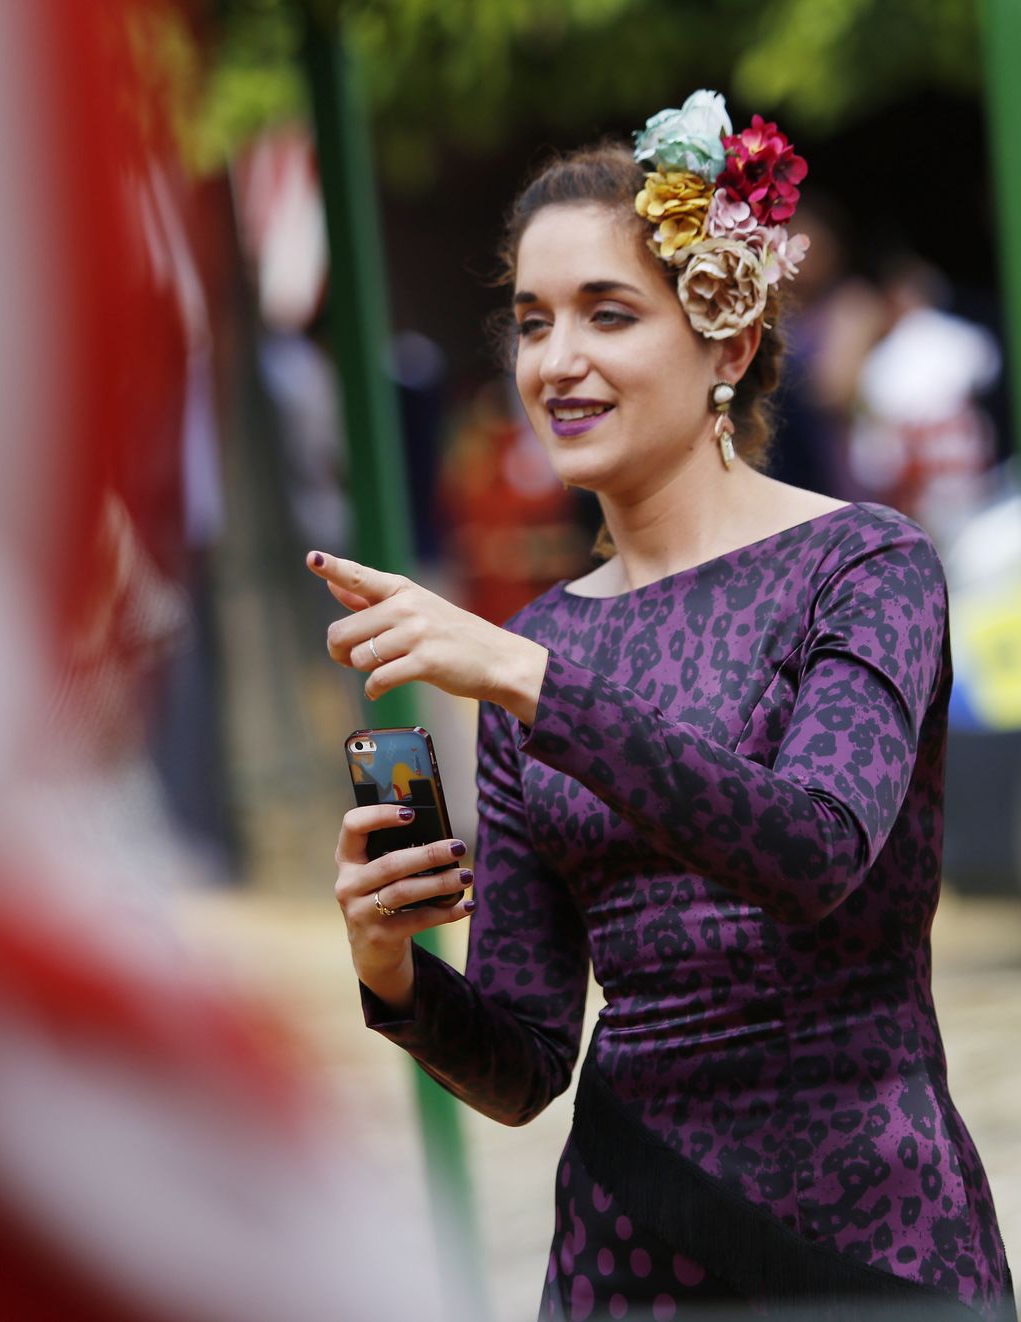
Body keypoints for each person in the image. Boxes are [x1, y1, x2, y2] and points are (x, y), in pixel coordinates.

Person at [307, 92, 1016, 1321]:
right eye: (531, 322)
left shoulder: (862, 567)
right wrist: (390, 966)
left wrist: (529, 682)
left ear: (727, 344)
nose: (553, 361)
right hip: (627, 1250)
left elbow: (812, 846)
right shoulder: (542, 640)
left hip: (872, 1239)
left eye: (606, 313)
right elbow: (526, 1063)